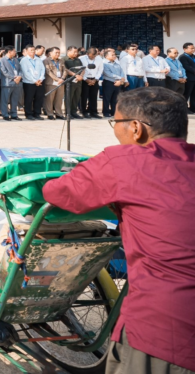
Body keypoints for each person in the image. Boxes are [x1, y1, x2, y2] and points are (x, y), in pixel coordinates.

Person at [43, 87, 195, 374]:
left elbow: (56, 192)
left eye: (116, 123)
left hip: (166, 330)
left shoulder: (123, 161)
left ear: (136, 128)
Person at [20, 46, 45, 120]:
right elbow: (25, 72)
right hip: (29, 83)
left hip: (39, 82)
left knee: (39, 98)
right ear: (27, 51)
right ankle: (28, 114)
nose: (33, 52)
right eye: (31, 50)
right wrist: (34, 81)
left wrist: (40, 79)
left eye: (34, 50)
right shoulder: (24, 60)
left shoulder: (38, 59)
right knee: (29, 99)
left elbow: (42, 69)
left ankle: (37, 113)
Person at [0, 48, 22, 121]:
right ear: (9, 52)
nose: (15, 52)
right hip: (7, 83)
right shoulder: (2, 60)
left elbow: (20, 70)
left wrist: (19, 77)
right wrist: (14, 77)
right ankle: (5, 114)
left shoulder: (16, 60)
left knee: (14, 100)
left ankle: (14, 114)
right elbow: (3, 72)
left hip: (17, 83)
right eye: (14, 51)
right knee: (5, 100)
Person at [42, 47, 66, 120]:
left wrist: (62, 78)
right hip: (51, 83)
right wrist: (57, 79)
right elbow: (48, 72)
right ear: (50, 53)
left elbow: (65, 70)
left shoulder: (61, 61)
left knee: (59, 99)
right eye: (56, 52)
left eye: (59, 52)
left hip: (60, 82)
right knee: (49, 99)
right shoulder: (46, 61)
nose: (58, 54)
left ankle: (59, 113)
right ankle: (50, 114)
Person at [79, 47, 104, 118]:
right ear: (87, 54)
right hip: (84, 80)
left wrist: (95, 79)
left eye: (95, 56)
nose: (93, 57)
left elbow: (100, 70)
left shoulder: (99, 59)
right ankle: (84, 112)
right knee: (84, 97)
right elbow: (80, 70)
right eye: (92, 56)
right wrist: (86, 79)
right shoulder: (81, 58)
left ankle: (93, 112)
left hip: (94, 79)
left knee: (93, 96)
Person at [100, 49, 125, 118]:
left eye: (114, 55)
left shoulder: (117, 63)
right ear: (106, 56)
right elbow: (108, 74)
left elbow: (122, 71)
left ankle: (114, 112)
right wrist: (120, 77)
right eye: (112, 55)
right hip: (109, 82)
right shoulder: (104, 63)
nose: (114, 56)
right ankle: (106, 112)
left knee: (115, 99)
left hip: (118, 82)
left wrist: (121, 79)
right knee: (107, 98)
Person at [63, 46, 85, 118]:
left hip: (78, 82)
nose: (76, 53)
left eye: (77, 52)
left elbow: (83, 69)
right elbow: (66, 70)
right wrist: (75, 75)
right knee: (69, 97)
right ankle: (68, 113)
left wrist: (81, 76)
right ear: (68, 51)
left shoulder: (78, 60)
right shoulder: (64, 59)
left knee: (76, 97)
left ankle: (74, 112)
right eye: (74, 52)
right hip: (70, 81)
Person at [180, 43, 195, 113]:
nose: (193, 49)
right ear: (185, 49)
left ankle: (193, 108)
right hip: (188, 78)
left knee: (194, 94)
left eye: (193, 48)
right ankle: (184, 109)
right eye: (191, 48)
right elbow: (187, 67)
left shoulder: (193, 56)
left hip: (194, 78)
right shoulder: (182, 57)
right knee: (186, 94)